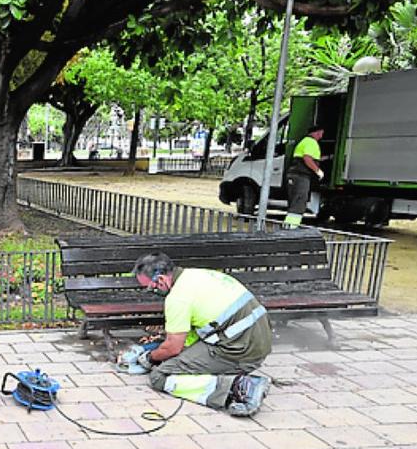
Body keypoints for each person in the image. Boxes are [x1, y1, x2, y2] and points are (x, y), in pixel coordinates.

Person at [130, 253, 272, 417]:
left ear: (161, 280)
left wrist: (150, 358)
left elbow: (173, 347)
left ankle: (239, 387)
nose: (151, 292)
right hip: (259, 339)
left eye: (149, 288)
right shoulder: (197, 275)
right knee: (180, 361)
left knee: (159, 376)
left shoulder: (178, 298)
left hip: (241, 350)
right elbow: (188, 338)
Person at [283, 125, 326, 228]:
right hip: (300, 176)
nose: (321, 136)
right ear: (317, 132)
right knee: (299, 201)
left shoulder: (305, 141)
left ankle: (289, 226)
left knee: (295, 201)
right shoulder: (311, 142)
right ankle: (292, 227)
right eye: (321, 133)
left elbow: (310, 157)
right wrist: (318, 171)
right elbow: (307, 158)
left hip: (295, 175)